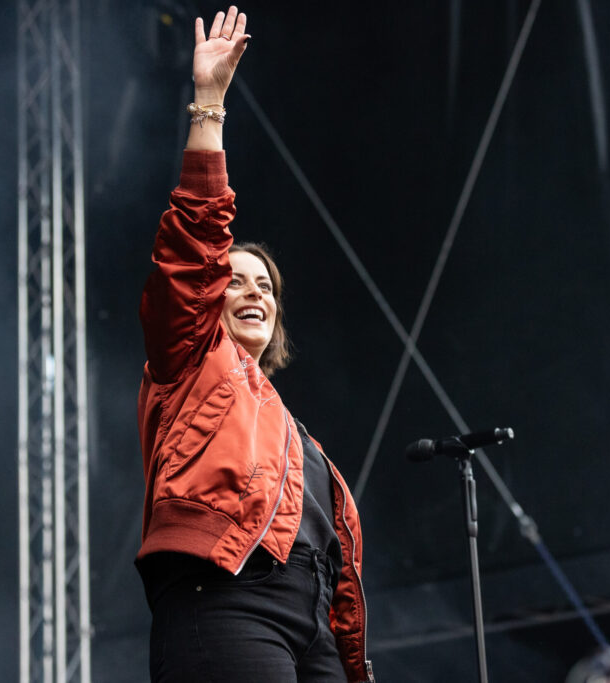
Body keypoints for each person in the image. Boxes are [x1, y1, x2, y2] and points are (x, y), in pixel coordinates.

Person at [134, 7, 374, 683]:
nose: (255, 292)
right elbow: (193, 245)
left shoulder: (308, 450)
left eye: (265, 283)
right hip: (226, 597)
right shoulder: (189, 359)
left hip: (312, 632)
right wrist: (209, 103)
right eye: (235, 279)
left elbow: (343, 591)